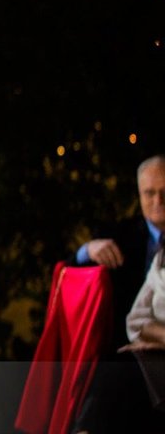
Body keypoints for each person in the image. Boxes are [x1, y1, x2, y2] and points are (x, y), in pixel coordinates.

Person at [68, 155, 165, 434]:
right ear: (139, 194)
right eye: (150, 193)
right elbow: (70, 273)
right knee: (113, 375)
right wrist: (88, 250)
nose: (158, 200)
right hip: (127, 349)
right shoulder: (119, 235)